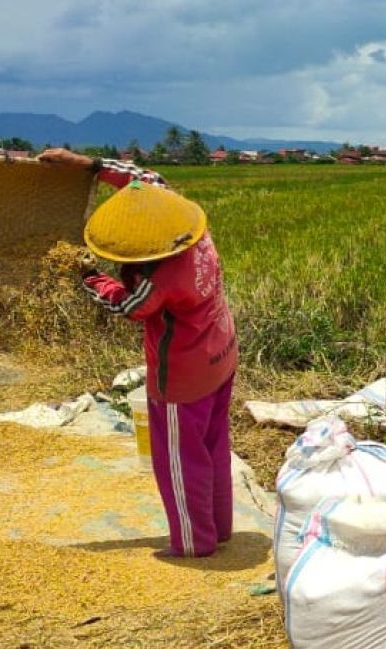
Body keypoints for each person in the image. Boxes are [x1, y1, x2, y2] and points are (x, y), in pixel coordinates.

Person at [38, 148, 238, 558]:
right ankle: (218, 529)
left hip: (183, 374)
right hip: (221, 351)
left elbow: (130, 307)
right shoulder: (188, 225)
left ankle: (193, 543)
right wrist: (89, 166)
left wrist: (89, 275)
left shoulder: (159, 275)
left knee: (180, 462)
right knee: (213, 444)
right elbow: (148, 180)